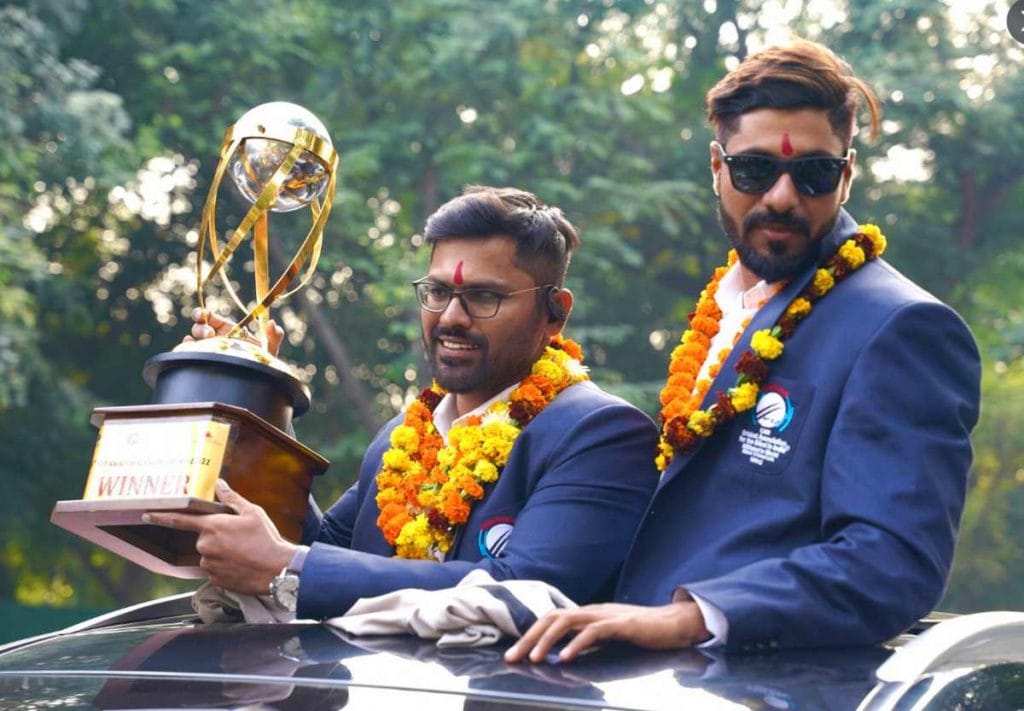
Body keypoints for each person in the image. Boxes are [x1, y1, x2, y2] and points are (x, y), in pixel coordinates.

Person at [506, 39, 981, 662]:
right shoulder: (728, 305)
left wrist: (694, 617)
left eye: (813, 173)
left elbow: (892, 563)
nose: (782, 196)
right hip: (636, 678)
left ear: (847, 175)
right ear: (716, 166)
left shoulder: (902, 328)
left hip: (758, 686)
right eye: (754, 170)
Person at [146, 185, 660, 620]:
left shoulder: (601, 434)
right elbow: (323, 548)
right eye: (436, 292)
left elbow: (522, 591)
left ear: (555, 313)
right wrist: (258, 394)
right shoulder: (402, 437)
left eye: (484, 297)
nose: (451, 317)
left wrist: (287, 566)